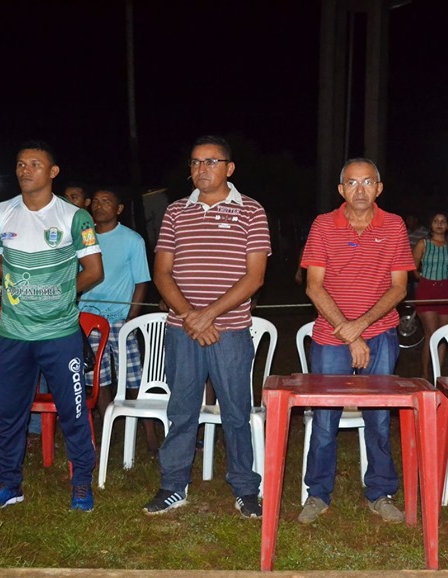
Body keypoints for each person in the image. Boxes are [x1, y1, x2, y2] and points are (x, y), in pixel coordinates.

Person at [144, 135, 270, 519]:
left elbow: (255, 277)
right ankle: (173, 486)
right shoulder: (176, 212)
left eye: (211, 161)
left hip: (230, 331)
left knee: (235, 412)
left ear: (229, 168)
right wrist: (191, 317)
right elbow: (162, 273)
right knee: (181, 410)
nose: (202, 169)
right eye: (196, 162)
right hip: (182, 330)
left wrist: (209, 314)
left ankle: (245, 489)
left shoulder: (251, 211)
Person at [0, 141, 104, 511]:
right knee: (10, 413)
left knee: (73, 412)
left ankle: (81, 483)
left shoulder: (74, 217)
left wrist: (61, 294)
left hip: (60, 335)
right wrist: (18, 287)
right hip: (12, 334)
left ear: (53, 172)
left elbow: (94, 271)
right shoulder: (0, 213)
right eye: (20, 164)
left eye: (35, 164)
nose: (25, 170)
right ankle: (9, 484)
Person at [297, 158, 415, 525]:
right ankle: (318, 494)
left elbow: (399, 287)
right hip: (330, 335)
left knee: (378, 417)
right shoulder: (323, 225)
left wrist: (360, 327)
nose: (360, 189)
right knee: (325, 417)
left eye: (367, 182)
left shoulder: (394, 225)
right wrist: (348, 333)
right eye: (352, 182)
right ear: (341, 189)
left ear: (379, 188)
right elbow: (313, 286)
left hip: (379, 334)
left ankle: (380, 493)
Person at [78, 188, 154, 447]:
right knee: (97, 379)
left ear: (119, 209)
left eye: (107, 201)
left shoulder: (132, 240)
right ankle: (108, 430)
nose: (99, 206)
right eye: (96, 201)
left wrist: (132, 317)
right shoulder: (84, 239)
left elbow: (142, 282)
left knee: (133, 377)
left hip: (121, 319)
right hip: (89, 319)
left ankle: (151, 436)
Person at [413, 211, 448, 379]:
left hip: (447, 290)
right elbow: (413, 266)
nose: (439, 224)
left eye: (443, 221)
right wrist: (423, 278)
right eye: (436, 221)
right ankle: (424, 373)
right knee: (431, 333)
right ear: (431, 224)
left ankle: (438, 375)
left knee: (444, 334)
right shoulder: (423, 243)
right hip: (427, 290)